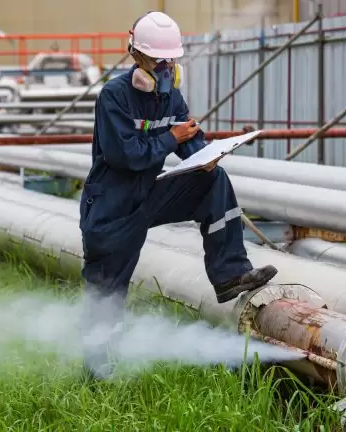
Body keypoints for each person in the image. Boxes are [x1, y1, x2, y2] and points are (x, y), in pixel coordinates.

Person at [78, 11, 277, 379]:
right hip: (111, 208)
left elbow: (191, 142)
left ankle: (230, 274)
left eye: (171, 61)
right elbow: (127, 156)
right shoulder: (113, 97)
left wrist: (207, 157)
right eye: (158, 61)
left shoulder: (171, 99)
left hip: (148, 196)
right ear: (135, 55)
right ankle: (96, 375)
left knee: (214, 182)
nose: (166, 68)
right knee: (106, 297)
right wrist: (173, 139)